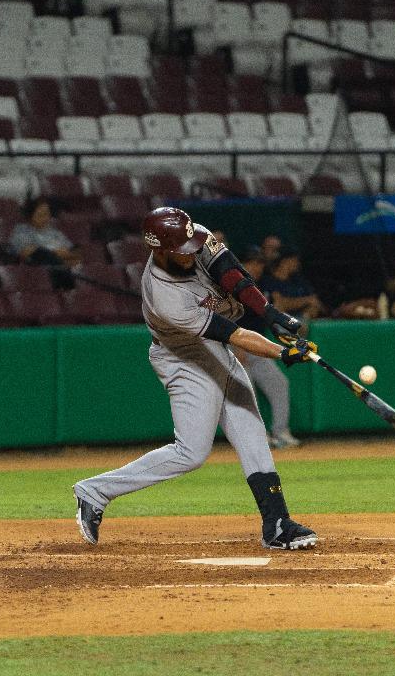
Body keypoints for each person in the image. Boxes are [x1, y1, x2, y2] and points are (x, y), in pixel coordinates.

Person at [73, 207, 319, 550]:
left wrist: (271, 314)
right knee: (191, 452)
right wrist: (281, 353)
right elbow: (234, 335)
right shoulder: (164, 295)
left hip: (213, 350)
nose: (192, 254)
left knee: (250, 429)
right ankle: (95, 491)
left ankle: (276, 523)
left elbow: (233, 275)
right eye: (182, 252)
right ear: (159, 250)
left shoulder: (190, 234)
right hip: (183, 358)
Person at [234, 246, 299, 449]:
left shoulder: (262, 285)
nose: (257, 267)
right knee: (246, 393)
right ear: (242, 263)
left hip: (258, 347)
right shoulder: (230, 285)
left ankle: (280, 432)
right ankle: (253, 438)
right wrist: (235, 345)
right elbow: (223, 318)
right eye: (253, 263)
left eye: (260, 263)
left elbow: (271, 312)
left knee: (279, 384)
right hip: (235, 347)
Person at [10, 199, 78, 288]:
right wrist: (56, 252)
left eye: (47, 214)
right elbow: (27, 253)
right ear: (30, 216)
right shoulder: (21, 232)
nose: (46, 218)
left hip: (61, 270)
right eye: (41, 215)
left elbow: (71, 253)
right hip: (35, 273)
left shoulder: (55, 233)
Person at [260, 251, 325, 320]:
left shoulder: (299, 280)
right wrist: (307, 300)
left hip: (303, 317)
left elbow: (315, 301)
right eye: (295, 260)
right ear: (284, 261)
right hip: (281, 318)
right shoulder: (269, 281)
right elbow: (280, 303)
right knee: (278, 306)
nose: (297, 264)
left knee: (313, 308)